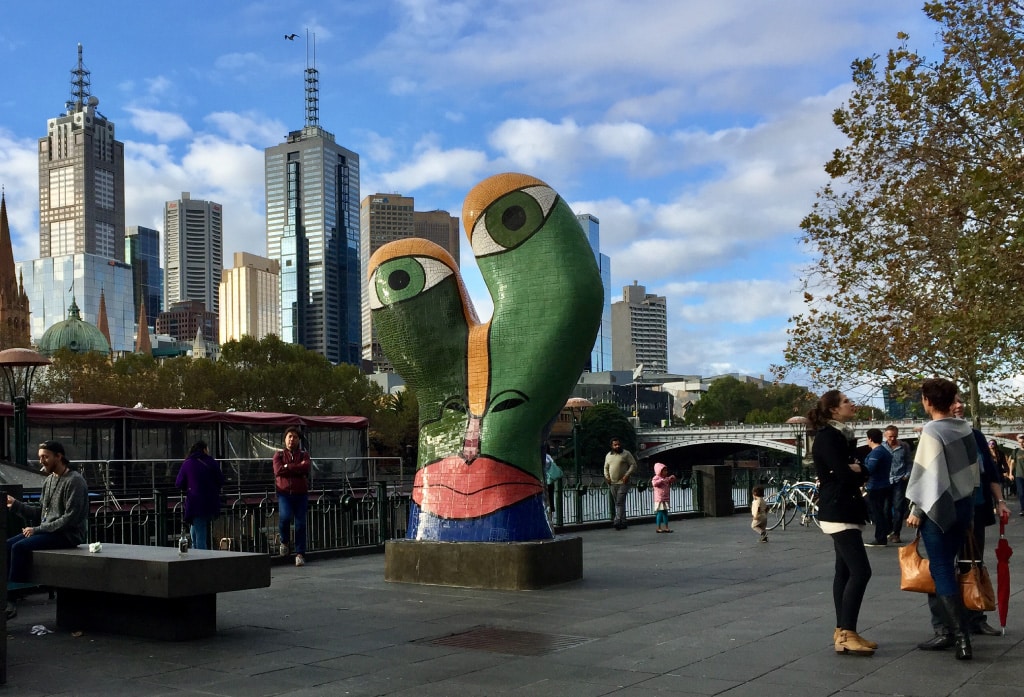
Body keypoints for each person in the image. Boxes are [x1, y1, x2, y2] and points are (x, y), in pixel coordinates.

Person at [918, 396, 1010, 649]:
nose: (958, 405)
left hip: (974, 509)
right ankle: (944, 626)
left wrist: (1000, 501)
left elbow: (991, 473)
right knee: (940, 567)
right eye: (952, 402)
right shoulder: (934, 433)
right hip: (946, 509)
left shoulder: (975, 435)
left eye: (961, 402)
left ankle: (975, 616)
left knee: (973, 563)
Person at [907, 378, 978, 661]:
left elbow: (928, 479)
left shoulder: (932, 432)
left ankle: (959, 637)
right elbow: (973, 473)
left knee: (941, 568)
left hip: (940, 509)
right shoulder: (965, 429)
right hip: (963, 505)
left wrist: (915, 512)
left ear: (927, 401)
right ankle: (958, 633)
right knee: (951, 565)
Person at [808, 390, 875, 656]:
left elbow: (857, 469)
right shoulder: (829, 438)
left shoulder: (841, 437)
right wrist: (857, 470)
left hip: (844, 508)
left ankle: (844, 632)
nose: (852, 403)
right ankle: (847, 632)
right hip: (838, 510)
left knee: (845, 572)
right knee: (861, 571)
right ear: (834, 410)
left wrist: (859, 469)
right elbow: (848, 474)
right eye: (846, 401)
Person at [5, 440, 89, 619]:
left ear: (59, 457)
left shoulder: (75, 481)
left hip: (68, 535)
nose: (41, 461)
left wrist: (37, 530)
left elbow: (70, 519)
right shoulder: (49, 480)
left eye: (45, 457)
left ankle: (11, 598)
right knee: (6, 545)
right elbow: (41, 511)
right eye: (40, 457)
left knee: (18, 547)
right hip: (49, 531)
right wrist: (16, 506)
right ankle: (7, 592)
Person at [175, 441, 224, 550]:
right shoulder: (211, 462)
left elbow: (179, 483)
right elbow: (221, 480)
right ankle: (199, 557)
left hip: (194, 502)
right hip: (210, 502)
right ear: (204, 450)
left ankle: (200, 560)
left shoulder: (187, 463)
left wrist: (190, 486)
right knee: (198, 531)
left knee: (198, 532)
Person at [274, 426, 311, 566]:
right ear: (285, 439)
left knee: (300, 524)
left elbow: (306, 467)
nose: (292, 440)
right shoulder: (278, 455)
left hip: (301, 494)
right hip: (284, 493)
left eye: (295, 437)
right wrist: (296, 467)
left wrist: (287, 467)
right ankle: (284, 541)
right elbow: (277, 470)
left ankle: (300, 553)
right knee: (284, 517)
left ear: (299, 440)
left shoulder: (304, 455)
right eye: (289, 436)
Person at [863, 428, 893, 547]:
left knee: (876, 512)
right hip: (885, 484)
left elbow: (870, 469)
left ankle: (881, 537)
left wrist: (861, 468)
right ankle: (885, 531)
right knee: (880, 511)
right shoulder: (885, 451)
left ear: (870, 438)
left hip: (875, 486)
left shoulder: (876, 452)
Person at [884, 425, 911, 544]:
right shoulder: (881, 447)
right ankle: (889, 530)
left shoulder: (904, 446)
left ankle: (896, 533)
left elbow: (909, 462)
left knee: (898, 507)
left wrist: (907, 475)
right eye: (890, 437)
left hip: (899, 480)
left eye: (895, 436)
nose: (892, 439)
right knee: (885, 508)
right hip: (885, 480)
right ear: (885, 435)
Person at [604, 437, 637, 531]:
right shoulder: (608, 455)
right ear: (611, 446)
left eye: (618, 444)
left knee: (619, 502)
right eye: (615, 445)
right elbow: (605, 467)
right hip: (612, 483)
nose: (617, 446)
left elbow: (633, 465)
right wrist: (607, 477)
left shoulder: (626, 454)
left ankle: (617, 520)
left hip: (623, 482)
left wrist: (627, 475)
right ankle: (623, 521)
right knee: (619, 503)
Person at [651, 462, 676, 533]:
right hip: (659, 499)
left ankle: (666, 527)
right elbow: (654, 484)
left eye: (666, 470)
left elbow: (670, 481)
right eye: (664, 471)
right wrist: (661, 480)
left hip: (665, 498)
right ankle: (658, 527)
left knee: (665, 513)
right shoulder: (656, 478)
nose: (666, 472)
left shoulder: (666, 478)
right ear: (660, 471)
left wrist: (672, 478)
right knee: (660, 512)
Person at [1013, 434, 1024, 515]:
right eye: (1020, 442)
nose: (1022, 444)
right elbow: (1012, 463)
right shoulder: (1016, 451)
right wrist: (1010, 473)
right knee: (1021, 493)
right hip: (1019, 475)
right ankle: (1023, 509)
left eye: (1023, 442)